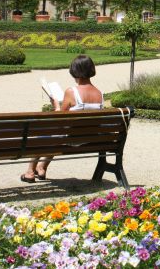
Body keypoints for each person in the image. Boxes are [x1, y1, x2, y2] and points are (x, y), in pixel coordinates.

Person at [21, 55, 103, 183]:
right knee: (59, 133)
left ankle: (30, 172)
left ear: (75, 71)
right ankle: (42, 167)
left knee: (44, 134)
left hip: (70, 140)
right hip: (88, 139)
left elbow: (60, 119)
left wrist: (56, 106)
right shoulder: (99, 94)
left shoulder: (72, 91)